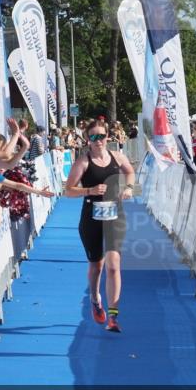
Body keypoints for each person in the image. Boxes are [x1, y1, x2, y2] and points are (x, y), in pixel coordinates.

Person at [64, 120, 135, 333]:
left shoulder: (117, 157)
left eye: (101, 136)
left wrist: (129, 187)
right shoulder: (83, 162)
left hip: (115, 215)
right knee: (97, 266)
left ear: (108, 137)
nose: (98, 141)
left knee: (114, 264)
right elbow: (68, 190)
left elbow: (130, 172)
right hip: (91, 217)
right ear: (87, 140)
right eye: (93, 137)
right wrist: (90, 190)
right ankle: (95, 297)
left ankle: (113, 316)